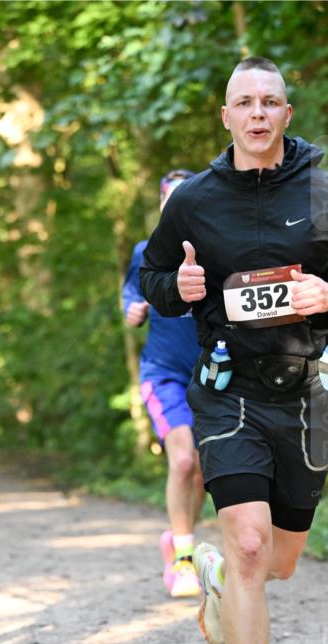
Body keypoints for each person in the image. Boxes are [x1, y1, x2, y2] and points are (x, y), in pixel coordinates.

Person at [140, 57, 328, 644]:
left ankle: (219, 580)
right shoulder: (192, 200)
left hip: (312, 391)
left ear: (286, 114)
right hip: (227, 390)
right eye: (243, 102)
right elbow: (155, 276)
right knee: (248, 545)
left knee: (279, 561)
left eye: (269, 102)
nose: (256, 113)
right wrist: (176, 283)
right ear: (225, 118)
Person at [123, 170, 205, 598]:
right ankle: (184, 559)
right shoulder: (145, 252)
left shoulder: (217, 250)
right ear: (161, 206)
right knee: (183, 461)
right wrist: (132, 312)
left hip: (213, 378)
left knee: (205, 474)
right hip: (164, 375)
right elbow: (128, 299)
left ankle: (178, 538)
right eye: (170, 201)